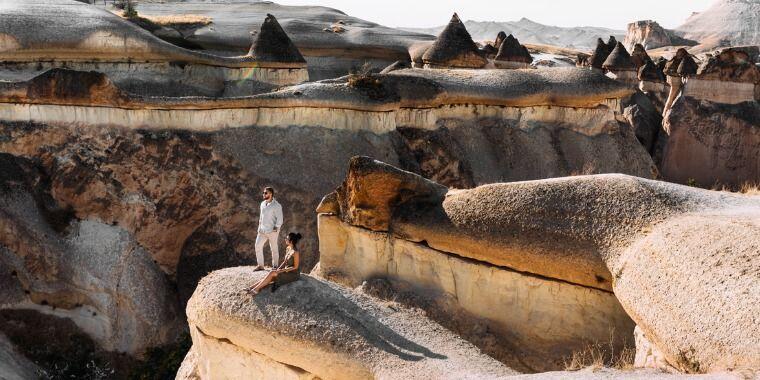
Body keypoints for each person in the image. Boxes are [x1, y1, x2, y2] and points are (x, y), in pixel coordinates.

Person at [254, 186, 283, 270]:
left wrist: (276, 228)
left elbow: (280, 219)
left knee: (273, 248)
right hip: (262, 230)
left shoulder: (277, 205)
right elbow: (261, 217)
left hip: (272, 231)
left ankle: (275, 266)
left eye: (265, 193)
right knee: (257, 246)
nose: (263, 194)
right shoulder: (262, 204)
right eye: (263, 193)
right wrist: (259, 228)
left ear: (270, 194)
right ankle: (260, 265)